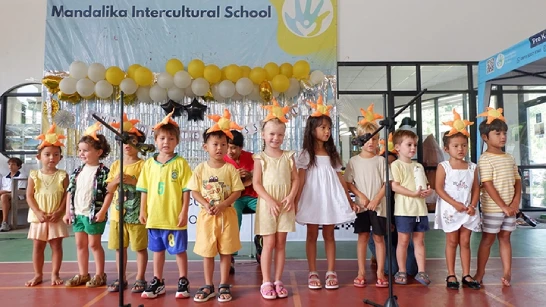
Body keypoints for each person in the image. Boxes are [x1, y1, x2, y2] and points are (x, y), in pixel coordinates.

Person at [295, 97, 357, 290]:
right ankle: (312, 271)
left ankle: (331, 271)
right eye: (322, 127)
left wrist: (348, 200)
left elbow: (340, 178)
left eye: (329, 128)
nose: (327, 131)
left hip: (330, 196)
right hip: (313, 196)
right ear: (312, 130)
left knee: (330, 234)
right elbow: (301, 179)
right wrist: (296, 201)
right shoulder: (306, 154)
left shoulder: (332, 154)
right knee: (312, 233)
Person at [187, 110, 244, 303]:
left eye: (223, 144)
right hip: (207, 218)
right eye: (215, 144)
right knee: (207, 252)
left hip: (227, 217)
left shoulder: (230, 169)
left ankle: (223, 284)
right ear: (205, 147)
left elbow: (237, 191)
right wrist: (205, 204)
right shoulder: (200, 169)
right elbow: (194, 191)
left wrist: (224, 205)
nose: (219, 148)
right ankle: (208, 285)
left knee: (226, 252)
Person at [137, 111, 193, 299]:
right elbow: (143, 189)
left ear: (176, 141)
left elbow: (187, 189)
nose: (166, 142)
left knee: (179, 250)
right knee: (157, 251)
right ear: (156, 140)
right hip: (155, 217)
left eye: (170, 138)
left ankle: (183, 280)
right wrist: (143, 210)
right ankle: (157, 281)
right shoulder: (149, 164)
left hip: (173, 217)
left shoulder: (181, 163)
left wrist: (184, 211)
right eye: (162, 138)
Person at [252, 106, 299, 299]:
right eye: (272, 134)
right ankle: (266, 281)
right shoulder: (260, 158)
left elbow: (295, 179)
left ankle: (278, 280)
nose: (276, 138)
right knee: (269, 243)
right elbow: (256, 183)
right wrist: (270, 200)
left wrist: (291, 196)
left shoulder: (289, 157)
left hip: (285, 205)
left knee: (281, 243)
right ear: (263, 134)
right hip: (267, 206)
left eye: (280, 134)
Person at [434, 112, 481, 290]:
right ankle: (451, 273)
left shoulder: (472, 167)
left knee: (466, 242)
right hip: (451, 209)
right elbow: (439, 188)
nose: (460, 149)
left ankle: (466, 274)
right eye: (456, 146)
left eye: (464, 145)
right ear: (447, 149)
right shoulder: (443, 166)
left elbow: (476, 188)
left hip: (467, 209)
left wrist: (472, 205)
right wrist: (455, 204)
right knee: (452, 241)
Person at [473, 110, 520, 287]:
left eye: (504, 133)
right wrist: (503, 206)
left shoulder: (509, 157)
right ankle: (480, 272)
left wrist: (515, 202)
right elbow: (488, 185)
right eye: (497, 133)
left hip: (510, 207)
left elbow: (517, 181)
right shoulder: (485, 159)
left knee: (505, 237)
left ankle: (507, 273)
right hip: (494, 208)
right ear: (485, 137)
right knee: (488, 239)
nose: (502, 137)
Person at [63, 123, 111, 287]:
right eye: (80, 150)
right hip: (78, 214)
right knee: (80, 244)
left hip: (93, 214)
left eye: (85, 150)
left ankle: (100, 275)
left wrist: (103, 211)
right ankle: (83, 274)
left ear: (99, 152)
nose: (81, 153)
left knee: (94, 244)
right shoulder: (78, 171)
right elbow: (70, 191)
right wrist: (68, 212)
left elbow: (109, 193)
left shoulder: (104, 171)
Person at [104, 117, 148, 293]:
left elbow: (147, 188)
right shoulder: (116, 164)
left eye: (132, 141)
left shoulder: (143, 165)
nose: (127, 145)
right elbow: (108, 188)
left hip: (136, 214)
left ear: (139, 144)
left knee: (139, 247)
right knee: (119, 248)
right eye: (123, 142)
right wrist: (115, 181)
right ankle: (121, 278)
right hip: (117, 215)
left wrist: (133, 181)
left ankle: (140, 278)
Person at [344, 122, 388, 288]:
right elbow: (349, 182)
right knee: (362, 237)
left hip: (379, 207)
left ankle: (380, 273)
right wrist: (361, 196)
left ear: (378, 141)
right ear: (359, 140)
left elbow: (386, 184)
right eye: (367, 139)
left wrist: (376, 199)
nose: (371, 142)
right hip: (362, 207)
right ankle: (361, 272)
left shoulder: (381, 161)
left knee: (378, 238)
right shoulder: (354, 161)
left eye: (374, 139)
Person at [25, 124, 69, 287]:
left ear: (60, 157)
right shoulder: (34, 175)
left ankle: (55, 273)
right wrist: (37, 212)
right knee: (38, 246)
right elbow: (29, 196)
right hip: (39, 217)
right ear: (39, 157)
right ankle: (37, 274)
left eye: (56, 154)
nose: (52, 158)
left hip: (56, 216)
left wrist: (60, 211)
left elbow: (66, 195)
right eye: (47, 154)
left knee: (56, 245)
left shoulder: (63, 175)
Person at [390, 129, 432, 286]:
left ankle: (421, 271)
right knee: (403, 241)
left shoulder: (419, 166)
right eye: (409, 144)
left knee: (419, 241)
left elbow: (426, 185)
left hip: (420, 210)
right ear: (398, 147)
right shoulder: (396, 165)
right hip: (404, 211)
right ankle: (401, 270)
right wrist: (413, 194)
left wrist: (428, 191)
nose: (413, 148)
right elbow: (395, 186)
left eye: (414, 145)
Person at [223, 129, 259, 272]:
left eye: (234, 147)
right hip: (235, 197)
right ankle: (231, 255)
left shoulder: (252, 158)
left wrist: (250, 174)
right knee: (233, 214)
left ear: (241, 147)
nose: (230, 151)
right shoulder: (222, 161)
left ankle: (261, 242)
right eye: (228, 147)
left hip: (253, 196)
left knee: (265, 211)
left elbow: (261, 176)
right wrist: (234, 178)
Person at [0, 157, 26, 232]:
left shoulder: (21, 176)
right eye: (9, 164)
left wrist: (4, 192)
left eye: (13, 164)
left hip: (17, 196)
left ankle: (5, 223)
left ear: (18, 166)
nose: (10, 166)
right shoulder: (5, 177)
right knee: (3, 196)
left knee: (4, 196)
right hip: (5, 195)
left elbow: (20, 190)